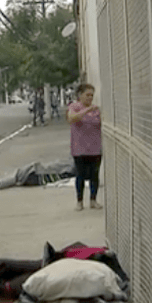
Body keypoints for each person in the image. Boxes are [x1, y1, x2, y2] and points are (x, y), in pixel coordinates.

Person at [66, 83, 103, 211]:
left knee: (94, 175)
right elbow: (71, 119)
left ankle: (93, 200)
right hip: (79, 148)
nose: (90, 98)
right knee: (80, 175)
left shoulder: (97, 109)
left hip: (95, 148)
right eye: (87, 95)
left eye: (92, 95)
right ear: (80, 95)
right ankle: (79, 201)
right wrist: (87, 110)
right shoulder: (74, 107)